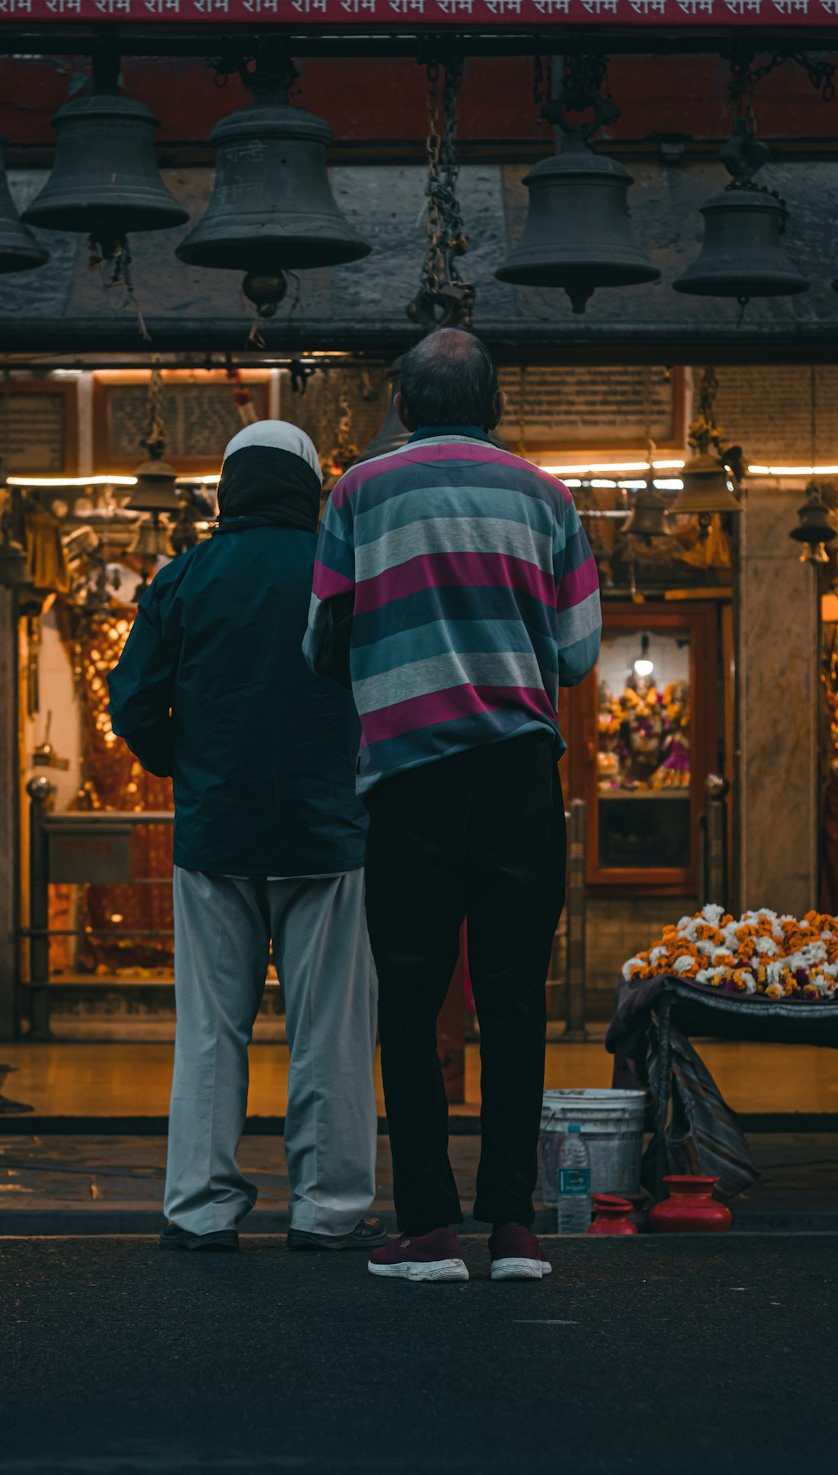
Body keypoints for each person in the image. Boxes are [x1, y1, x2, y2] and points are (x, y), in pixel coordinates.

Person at [305, 329, 601, 1284]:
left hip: (409, 782)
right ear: (496, 407)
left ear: (402, 403)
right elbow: (579, 651)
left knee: (412, 1000)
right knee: (514, 1003)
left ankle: (428, 1228)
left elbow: (322, 638)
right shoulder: (549, 499)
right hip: (519, 776)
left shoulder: (355, 492)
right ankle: (514, 1227)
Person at [108, 421, 382, 1254]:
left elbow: (132, 703)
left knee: (209, 1031)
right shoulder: (346, 576)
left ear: (229, 488)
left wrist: (185, 765)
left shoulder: (183, 577)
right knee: (329, 1034)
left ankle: (200, 1207)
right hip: (328, 835)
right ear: (310, 488)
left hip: (215, 835)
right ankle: (328, 1209)